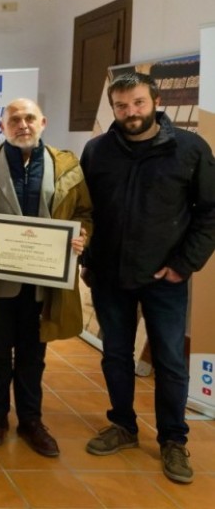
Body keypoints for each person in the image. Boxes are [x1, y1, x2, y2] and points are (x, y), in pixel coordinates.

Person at [80, 72, 215, 484]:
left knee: (171, 363)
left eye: (138, 103)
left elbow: (209, 212)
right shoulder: (97, 151)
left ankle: (174, 440)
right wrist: (86, 255)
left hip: (165, 278)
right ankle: (122, 425)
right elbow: (84, 211)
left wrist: (183, 264)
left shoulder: (190, 149)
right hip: (108, 275)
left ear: (156, 101)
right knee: (116, 356)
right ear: (114, 107)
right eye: (121, 106)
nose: (130, 112)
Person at [0, 98, 92, 458]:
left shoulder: (66, 165)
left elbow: (84, 213)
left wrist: (82, 236)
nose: (23, 124)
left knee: (34, 355)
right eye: (14, 119)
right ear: (2, 127)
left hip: (43, 282)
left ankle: (32, 421)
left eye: (29, 118)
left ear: (43, 122)